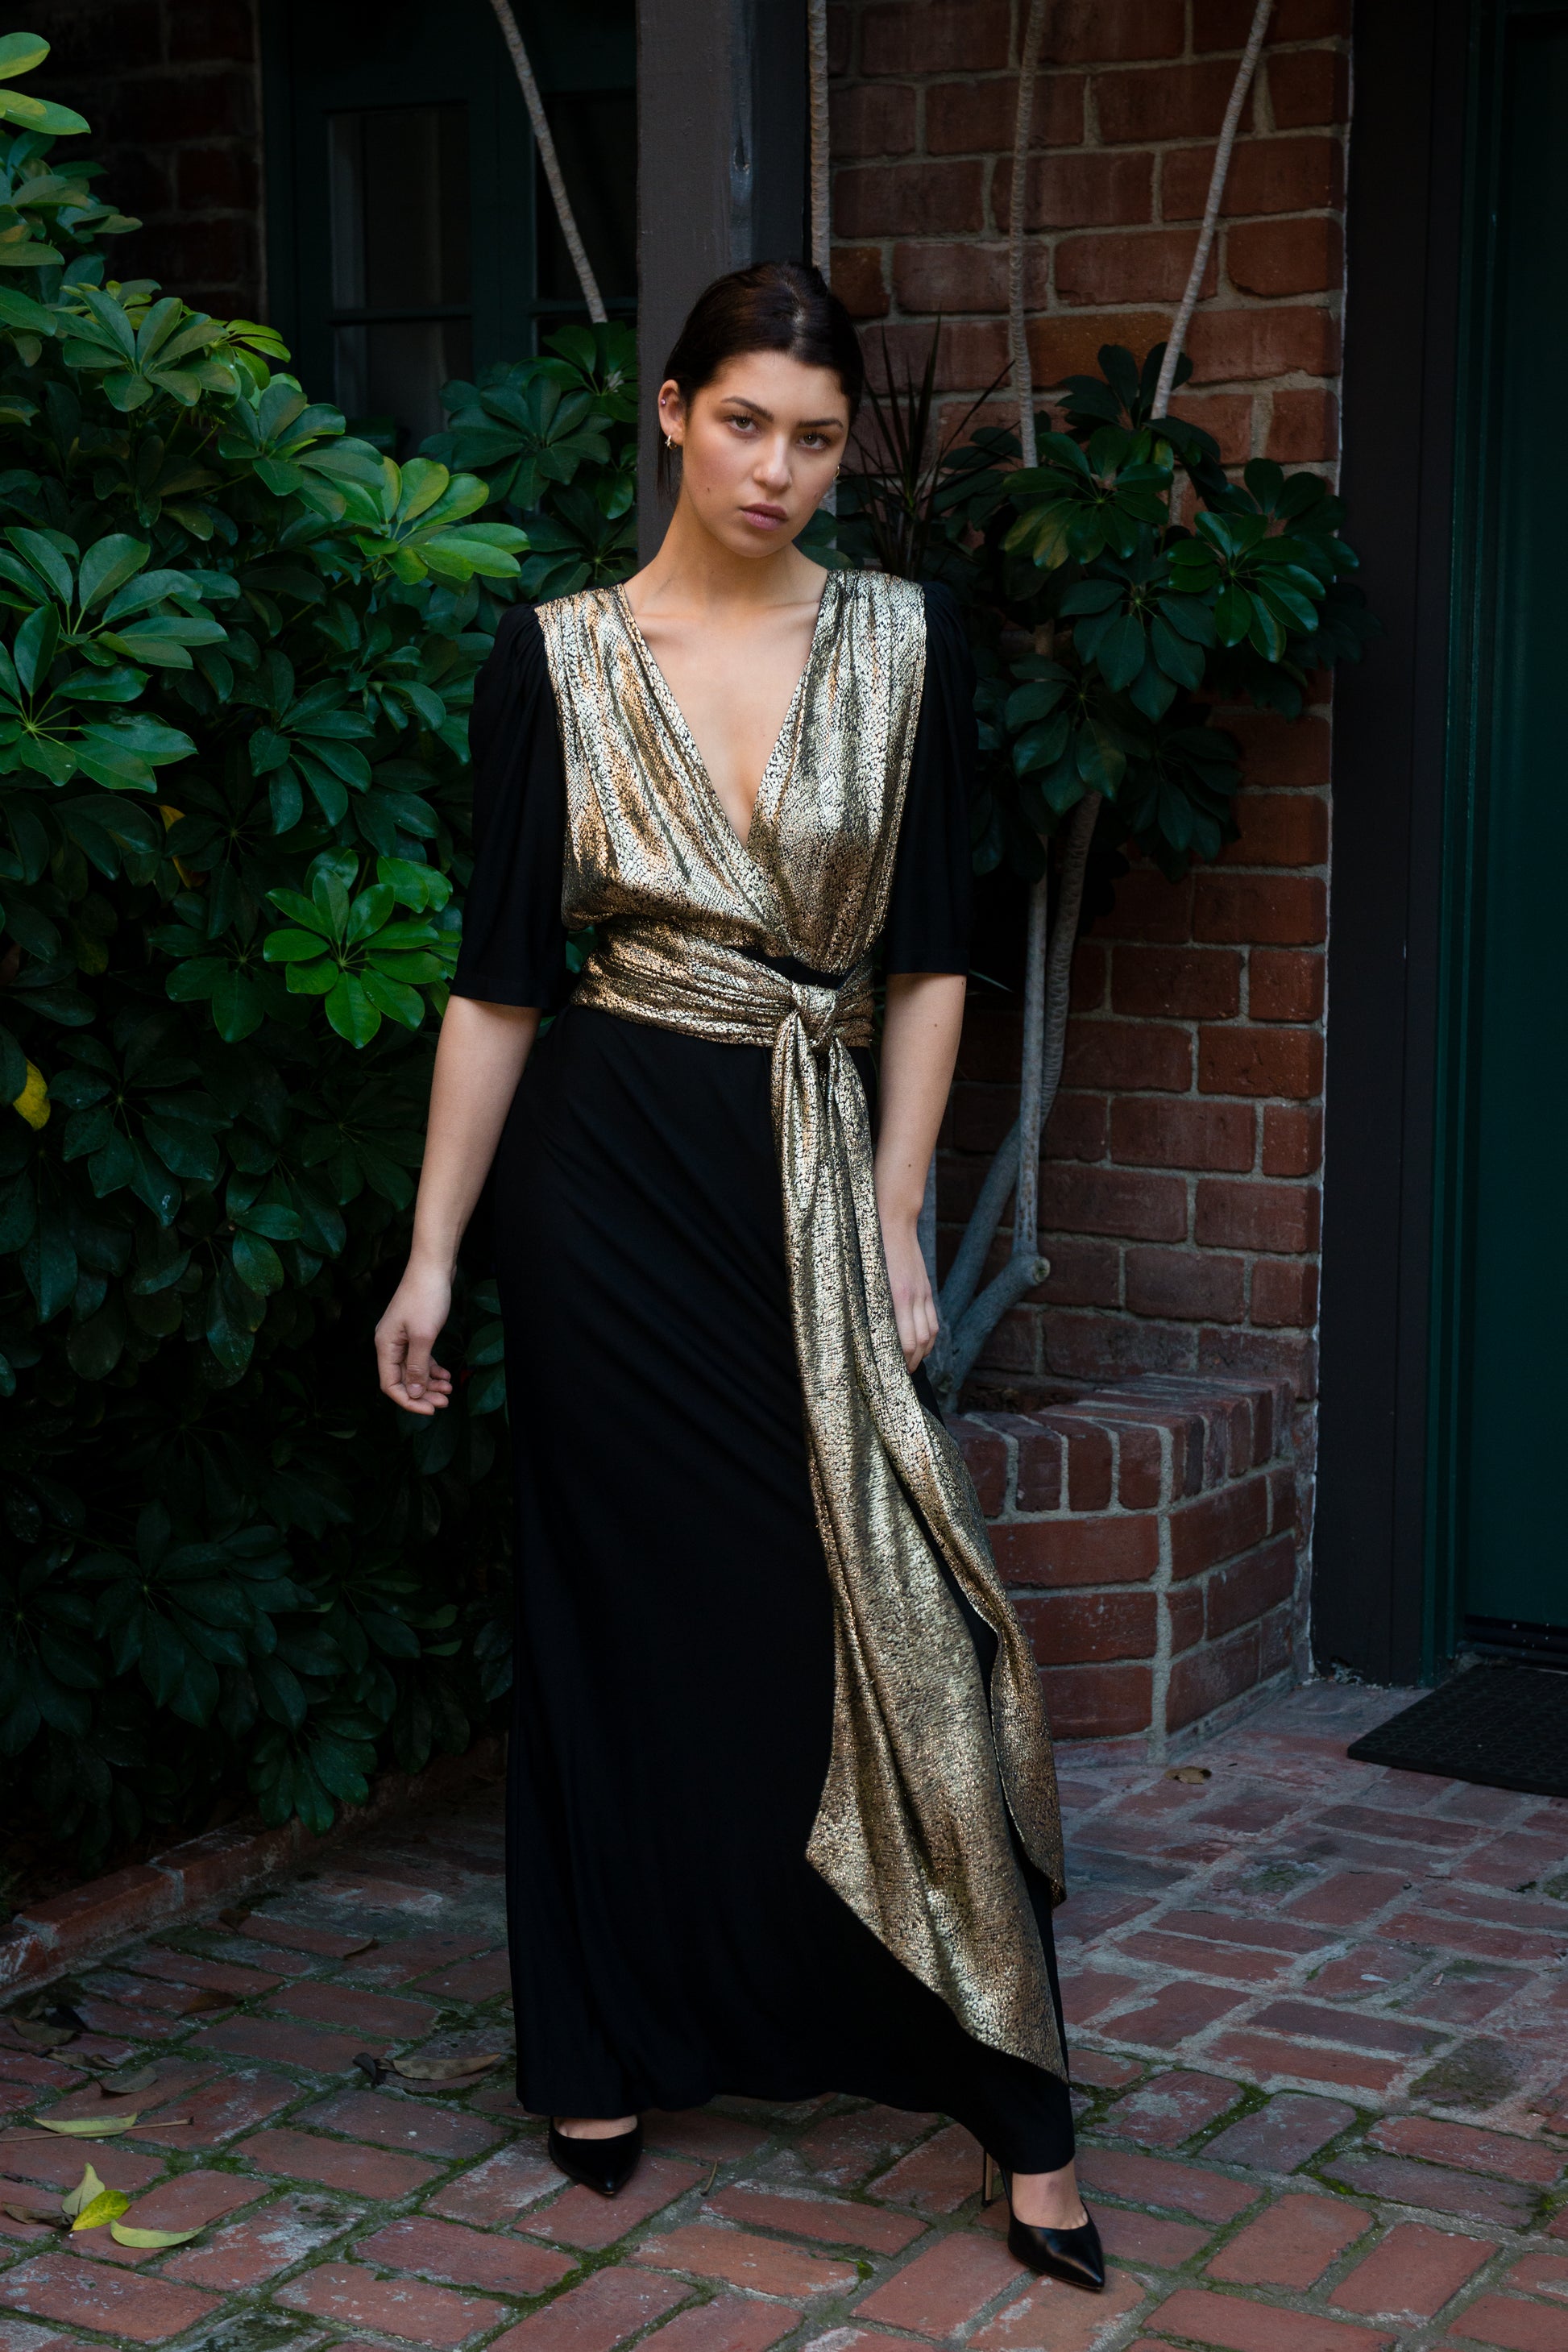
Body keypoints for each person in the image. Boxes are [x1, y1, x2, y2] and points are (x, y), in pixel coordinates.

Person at [375, 261, 1102, 2295]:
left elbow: (936, 950)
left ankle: (1009, 2095)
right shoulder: (558, 657)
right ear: (674, 414)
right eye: (745, 422)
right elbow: (500, 977)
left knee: (894, 1605)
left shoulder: (901, 638)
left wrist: (890, 1213)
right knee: (617, 1614)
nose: (781, 468)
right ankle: (605, 2038)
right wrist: (434, 1251)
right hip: (597, 1190)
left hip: (803, 1173)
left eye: (815, 433)